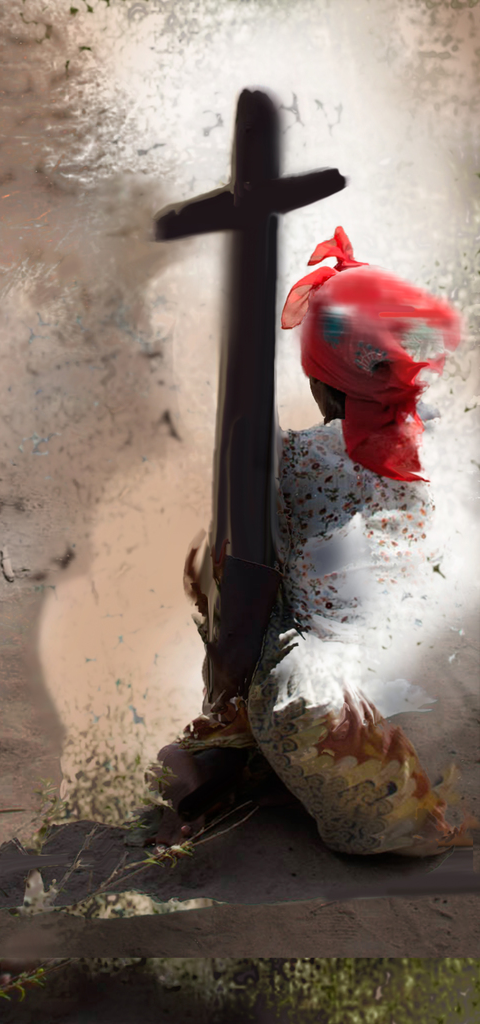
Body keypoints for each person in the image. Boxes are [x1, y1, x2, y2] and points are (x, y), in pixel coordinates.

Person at [149, 226, 476, 856]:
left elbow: (246, 546)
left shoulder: (297, 462)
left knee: (228, 562)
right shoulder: (448, 443)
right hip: (430, 675)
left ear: (318, 383)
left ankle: (231, 742)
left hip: (327, 695)